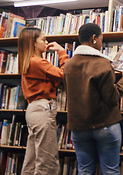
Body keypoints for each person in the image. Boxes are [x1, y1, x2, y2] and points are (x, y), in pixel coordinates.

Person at [63, 23, 123, 174]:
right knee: (110, 170)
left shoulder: (68, 65)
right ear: (94, 38)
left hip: (79, 127)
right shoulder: (103, 64)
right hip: (105, 125)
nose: (101, 43)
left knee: (84, 170)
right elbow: (112, 98)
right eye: (101, 39)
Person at [18, 27, 69, 174]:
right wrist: (61, 52)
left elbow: (54, 80)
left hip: (34, 110)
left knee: (32, 160)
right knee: (47, 161)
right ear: (33, 43)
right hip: (42, 110)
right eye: (43, 39)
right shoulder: (38, 62)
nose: (46, 42)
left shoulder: (29, 61)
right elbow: (65, 74)